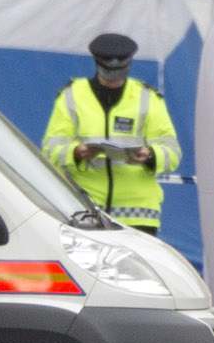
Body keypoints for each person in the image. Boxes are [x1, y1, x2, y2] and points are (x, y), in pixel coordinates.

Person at [41, 32, 181, 234]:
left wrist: (149, 155)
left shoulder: (147, 98)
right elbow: (50, 148)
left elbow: (172, 152)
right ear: (97, 64)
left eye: (119, 70)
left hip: (139, 213)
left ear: (129, 65)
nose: (113, 76)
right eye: (108, 70)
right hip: (86, 209)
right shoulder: (72, 95)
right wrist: (76, 152)